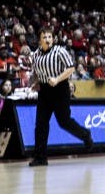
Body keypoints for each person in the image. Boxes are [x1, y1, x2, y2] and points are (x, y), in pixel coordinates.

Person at [27, 26, 92, 166]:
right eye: (44, 37)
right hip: (44, 91)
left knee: (64, 121)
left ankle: (85, 134)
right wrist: (37, 83)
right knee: (40, 124)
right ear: (40, 40)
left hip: (60, 89)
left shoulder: (60, 51)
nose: (47, 39)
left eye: (49, 37)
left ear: (53, 39)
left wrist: (56, 79)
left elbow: (70, 68)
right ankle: (40, 157)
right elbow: (39, 72)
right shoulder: (35, 55)